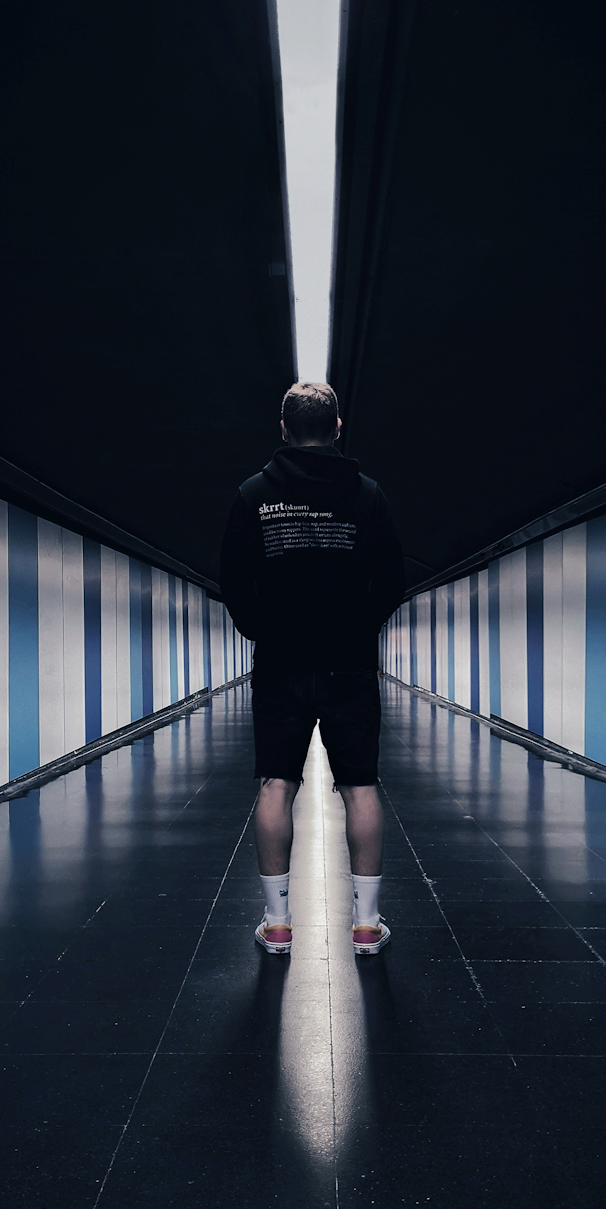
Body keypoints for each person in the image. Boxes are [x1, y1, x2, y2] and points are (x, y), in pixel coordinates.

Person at [219, 381, 406, 956]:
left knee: (278, 783)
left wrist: (264, 629)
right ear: (338, 427)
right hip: (349, 662)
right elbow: (394, 581)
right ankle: (366, 927)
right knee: (360, 787)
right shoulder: (368, 494)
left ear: (282, 428)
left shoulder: (253, 495)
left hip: (280, 662)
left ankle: (278, 925)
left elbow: (232, 581)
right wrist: (357, 628)